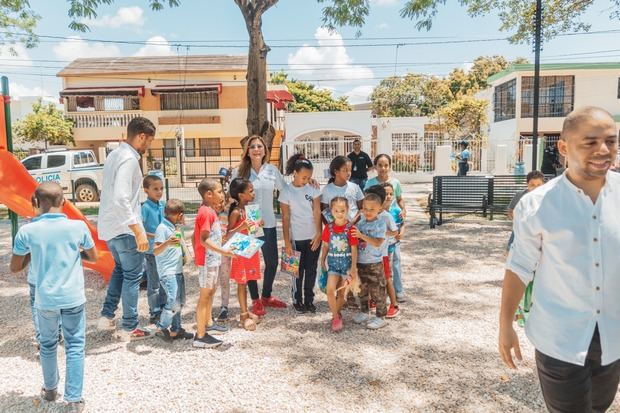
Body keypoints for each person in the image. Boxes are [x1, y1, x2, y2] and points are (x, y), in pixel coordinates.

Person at [499, 107, 620, 413]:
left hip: (613, 336)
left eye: (611, 141)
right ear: (564, 148)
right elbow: (519, 267)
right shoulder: (537, 204)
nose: (603, 150)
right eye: (590, 142)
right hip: (559, 340)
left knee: (599, 407)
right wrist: (505, 325)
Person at [10, 182, 97, 412]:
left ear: (36, 203)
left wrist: (34, 252)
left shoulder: (27, 231)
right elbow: (93, 257)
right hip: (73, 297)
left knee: (47, 344)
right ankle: (74, 399)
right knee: (75, 345)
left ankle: (50, 389)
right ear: (64, 202)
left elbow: (15, 267)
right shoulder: (78, 227)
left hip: (44, 298)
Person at [97, 117, 156, 341]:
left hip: (110, 227)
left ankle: (106, 315)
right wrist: (138, 230)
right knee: (133, 275)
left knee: (120, 271)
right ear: (141, 136)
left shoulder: (114, 155)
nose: (148, 146)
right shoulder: (130, 160)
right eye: (148, 141)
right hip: (125, 228)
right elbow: (122, 198)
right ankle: (130, 326)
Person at [231, 135, 288, 315]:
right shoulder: (239, 172)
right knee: (250, 264)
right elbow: (232, 197)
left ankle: (266, 296)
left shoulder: (272, 170)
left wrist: (307, 182)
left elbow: (287, 190)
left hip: (269, 221)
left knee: (272, 263)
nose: (256, 149)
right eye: (252, 146)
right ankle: (255, 300)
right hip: (249, 222)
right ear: (247, 151)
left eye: (259, 146)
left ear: (265, 150)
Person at [193, 179, 235, 348]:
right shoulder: (206, 212)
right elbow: (203, 240)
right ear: (208, 194)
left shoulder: (210, 211)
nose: (222, 194)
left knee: (210, 293)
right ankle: (200, 336)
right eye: (219, 191)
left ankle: (208, 324)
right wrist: (224, 251)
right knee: (205, 296)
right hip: (207, 261)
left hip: (212, 259)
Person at [279, 154, 322, 313]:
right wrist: (287, 242)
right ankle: (297, 300)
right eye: (304, 177)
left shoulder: (314, 189)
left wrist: (319, 233)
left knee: (311, 269)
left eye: (309, 177)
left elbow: (317, 212)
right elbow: (285, 217)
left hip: (313, 237)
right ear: (295, 173)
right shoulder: (286, 192)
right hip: (296, 238)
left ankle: (310, 300)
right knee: (296, 271)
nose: (306, 180)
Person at [365, 154, 407, 302]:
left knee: (395, 260)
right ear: (375, 167)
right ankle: (379, 292)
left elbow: (400, 199)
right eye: (380, 165)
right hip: (378, 224)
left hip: (394, 222)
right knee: (380, 261)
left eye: (386, 165)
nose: (383, 168)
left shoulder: (395, 183)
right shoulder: (370, 183)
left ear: (390, 166)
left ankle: (398, 289)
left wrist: (403, 210)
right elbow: (367, 201)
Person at [152, 199, 194, 342]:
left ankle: (176, 330)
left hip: (177, 270)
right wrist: (168, 242)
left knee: (179, 301)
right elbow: (156, 250)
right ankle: (161, 326)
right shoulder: (162, 228)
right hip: (168, 271)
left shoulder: (174, 227)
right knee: (172, 300)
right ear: (180, 214)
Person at [227, 178, 263, 330]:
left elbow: (254, 231)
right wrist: (241, 225)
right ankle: (243, 314)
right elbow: (227, 234)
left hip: (250, 249)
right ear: (241, 195)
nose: (253, 193)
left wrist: (259, 224)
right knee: (241, 283)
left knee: (249, 279)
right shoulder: (236, 212)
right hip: (240, 252)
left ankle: (246, 311)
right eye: (250, 191)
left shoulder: (251, 210)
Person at [319, 197, 359, 332]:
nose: (340, 213)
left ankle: (337, 312)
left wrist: (353, 268)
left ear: (347, 210)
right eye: (336, 210)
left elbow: (354, 248)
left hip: (346, 266)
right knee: (330, 290)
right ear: (332, 211)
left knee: (342, 295)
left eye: (343, 210)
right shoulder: (328, 228)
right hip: (333, 265)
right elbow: (325, 246)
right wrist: (322, 260)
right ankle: (335, 317)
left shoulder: (350, 228)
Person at [352, 193, 388, 330]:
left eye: (372, 209)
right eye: (365, 208)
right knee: (362, 289)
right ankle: (364, 311)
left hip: (374, 263)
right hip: (360, 262)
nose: (367, 212)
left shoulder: (380, 223)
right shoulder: (360, 223)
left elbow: (378, 242)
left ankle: (380, 316)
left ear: (379, 209)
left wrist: (361, 235)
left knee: (377, 289)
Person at [366, 184, 400, 319]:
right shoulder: (366, 215)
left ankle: (394, 305)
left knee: (386, 279)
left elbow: (395, 232)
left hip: (382, 255)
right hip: (369, 255)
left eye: (369, 197)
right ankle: (374, 300)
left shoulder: (386, 216)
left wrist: (384, 233)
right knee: (370, 279)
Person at [141, 175, 166, 325]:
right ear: (146, 190)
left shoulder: (162, 205)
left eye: (161, 188)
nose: (159, 191)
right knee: (154, 282)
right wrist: (156, 235)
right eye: (155, 189)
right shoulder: (145, 208)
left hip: (163, 249)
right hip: (152, 251)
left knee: (163, 280)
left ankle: (163, 306)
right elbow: (141, 229)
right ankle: (154, 311)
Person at [506, 170, 545, 251]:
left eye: (539, 185)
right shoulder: (520, 195)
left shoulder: (546, 197)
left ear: (543, 185)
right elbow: (510, 211)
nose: (536, 188)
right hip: (522, 228)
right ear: (527, 184)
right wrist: (517, 220)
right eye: (532, 185)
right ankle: (509, 249)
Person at [321, 155, 364, 222]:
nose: (349, 173)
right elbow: (325, 211)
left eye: (350, 170)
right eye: (345, 170)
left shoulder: (355, 187)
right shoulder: (327, 189)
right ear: (336, 172)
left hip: (354, 229)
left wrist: (353, 223)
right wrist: (333, 227)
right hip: (336, 230)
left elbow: (361, 209)